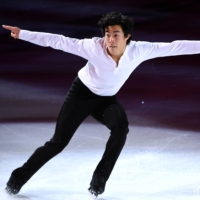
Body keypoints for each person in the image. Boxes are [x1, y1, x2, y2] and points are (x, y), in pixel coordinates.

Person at [2, 12, 200, 198]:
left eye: (116, 34)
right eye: (107, 35)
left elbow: (176, 46)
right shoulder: (93, 47)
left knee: (121, 127)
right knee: (58, 142)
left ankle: (99, 178)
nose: (111, 40)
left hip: (106, 99)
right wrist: (23, 34)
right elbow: (58, 41)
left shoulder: (140, 50)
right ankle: (17, 178)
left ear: (127, 36)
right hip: (82, 95)